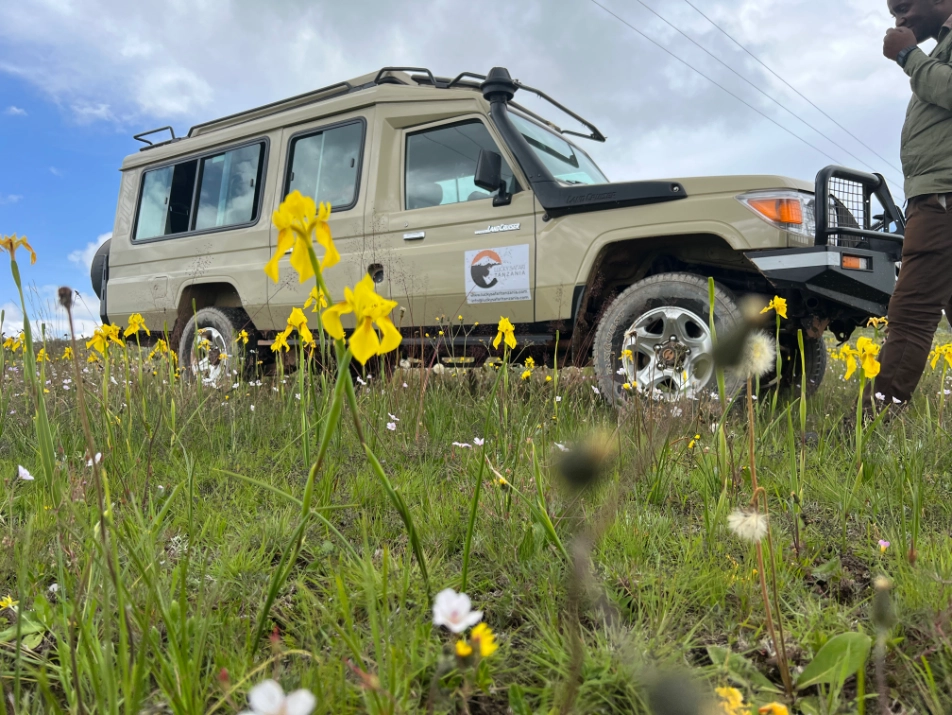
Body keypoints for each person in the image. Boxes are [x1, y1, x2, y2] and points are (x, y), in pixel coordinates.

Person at [871, 0, 952, 413]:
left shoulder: (932, 53)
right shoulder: (943, 45)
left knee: (912, 314)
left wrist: (908, 55)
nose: (898, 20)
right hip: (938, 195)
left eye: (904, 7)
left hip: (943, 200)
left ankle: (868, 431)